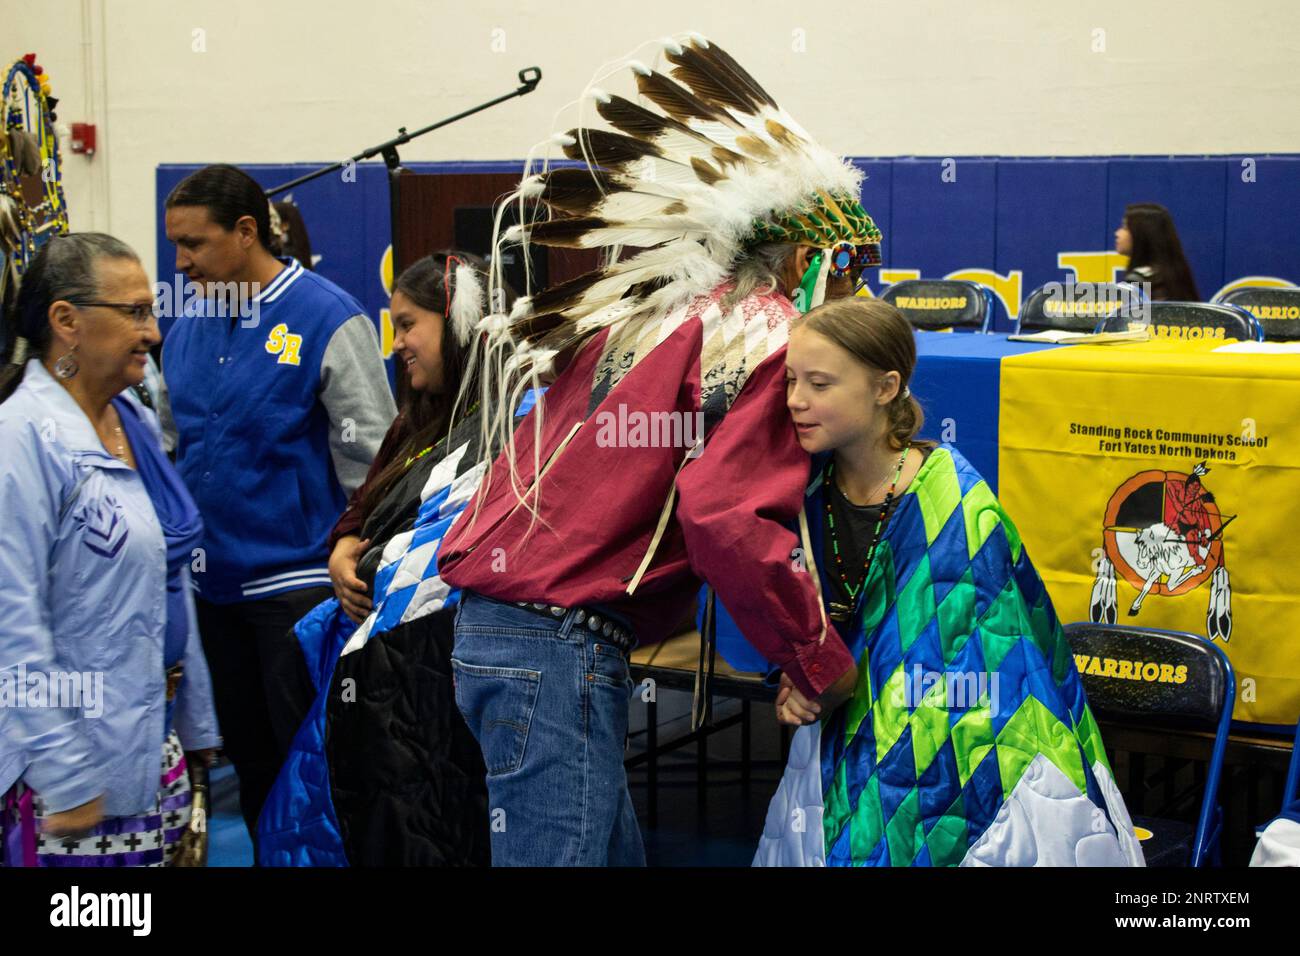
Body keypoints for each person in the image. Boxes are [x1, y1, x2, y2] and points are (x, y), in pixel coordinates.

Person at [438, 33, 883, 866]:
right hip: (557, 646)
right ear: (806, 257)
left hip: (502, 631)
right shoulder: (769, 339)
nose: (859, 292)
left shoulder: (646, 318)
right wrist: (816, 657)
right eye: (851, 267)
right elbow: (727, 517)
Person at [753, 297, 1144, 867]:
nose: (796, 401)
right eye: (790, 381)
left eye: (819, 384)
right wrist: (802, 677)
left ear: (885, 388)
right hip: (842, 735)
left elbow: (965, 665)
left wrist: (838, 682)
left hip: (971, 740)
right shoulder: (804, 487)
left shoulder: (956, 502)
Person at [161, 163, 396, 852]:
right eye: (175, 245)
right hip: (211, 592)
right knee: (255, 768)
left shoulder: (328, 317)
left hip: (294, 591)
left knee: (315, 771)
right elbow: (172, 450)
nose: (180, 262)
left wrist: (362, 566)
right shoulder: (188, 327)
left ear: (245, 231)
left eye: (194, 244)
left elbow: (375, 469)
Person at [258, 252, 513, 866]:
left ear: (458, 324)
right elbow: (368, 501)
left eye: (408, 325)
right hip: (384, 668)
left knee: (433, 821)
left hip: (441, 665)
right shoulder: (416, 420)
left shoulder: (514, 420)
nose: (397, 344)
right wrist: (345, 546)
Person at [0, 234, 219, 866]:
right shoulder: (22, 439)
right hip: (65, 775)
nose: (151, 332)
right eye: (133, 313)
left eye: (150, 312)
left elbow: (168, 576)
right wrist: (65, 773)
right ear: (66, 321)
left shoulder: (134, 423)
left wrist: (197, 719)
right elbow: (12, 625)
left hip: (152, 743)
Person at [1115, 203, 1200, 301]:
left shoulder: (1138, 280)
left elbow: (1137, 316)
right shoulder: (1175, 274)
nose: (1117, 233)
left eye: (1125, 227)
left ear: (1142, 234)